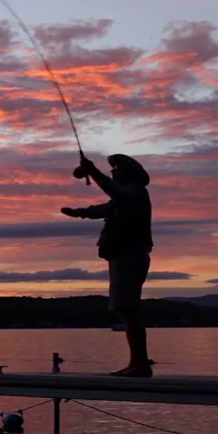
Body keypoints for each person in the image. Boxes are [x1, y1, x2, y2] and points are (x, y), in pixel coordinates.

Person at [61, 154, 153, 377]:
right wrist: (80, 212)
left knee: (129, 310)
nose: (112, 172)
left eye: (116, 169)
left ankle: (140, 365)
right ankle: (137, 363)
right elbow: (105, 208)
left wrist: (92, 170)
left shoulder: (134, 192)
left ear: (127, 172)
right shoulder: (124, 198)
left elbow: (114, 191)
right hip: (123, 256)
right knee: (126, 309)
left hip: (129, 256)